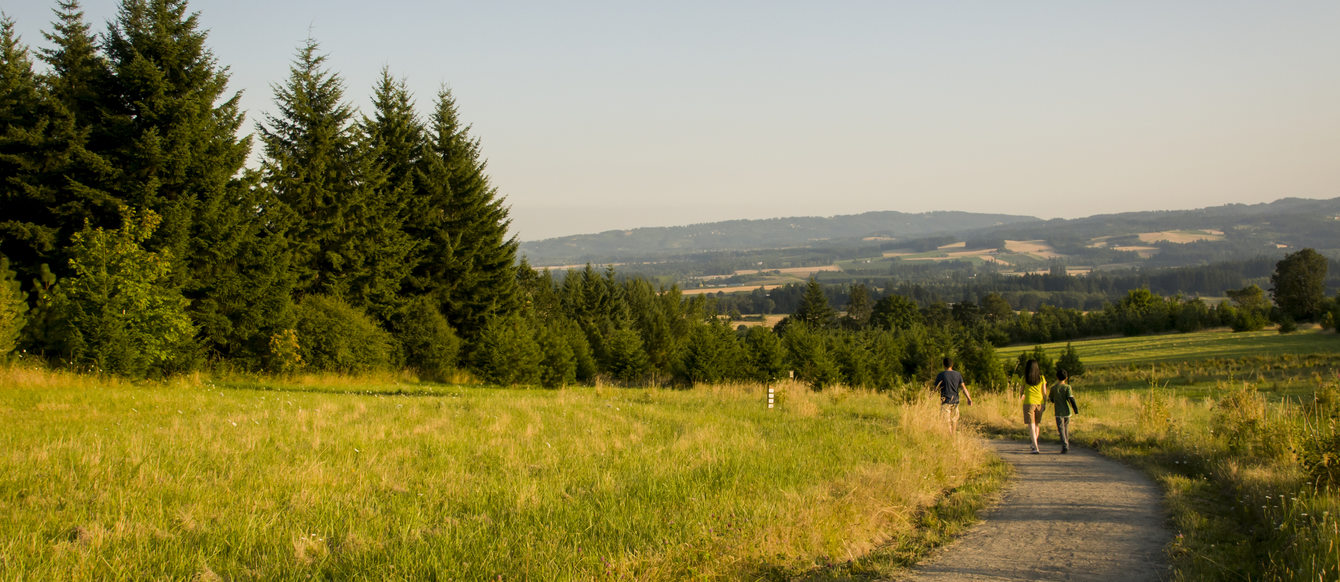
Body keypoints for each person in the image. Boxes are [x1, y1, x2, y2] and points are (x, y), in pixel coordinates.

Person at [933, 356, 973, 434]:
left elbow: (935, 389)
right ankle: (953, 436)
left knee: (947, 421)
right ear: (952, 365)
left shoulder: (941, 375)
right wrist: (969, 399)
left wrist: (930, 397)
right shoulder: (958, 374)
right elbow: (963, 388)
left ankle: (950, 436)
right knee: (954, 420)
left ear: (944, 365)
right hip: (955, 401)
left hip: (945, 401)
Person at [1049, 368, 1080, 453]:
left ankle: (1065, 445)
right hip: (1067, 411)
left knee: (1061, 430)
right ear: (1066, 378)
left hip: (1058, 412)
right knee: (1066, 429)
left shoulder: (1053, 388)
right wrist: (1075, 410)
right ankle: (1067, 444)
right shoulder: (1067, 387)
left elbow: (1051, 399)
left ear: (1057, 377)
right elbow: (1071, 398)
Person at [1021, 358, 1047, 453]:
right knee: (1036, 424)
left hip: (1028, 402)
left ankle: (1035, 446)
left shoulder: (1025, 378)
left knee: (1031, 425)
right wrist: (1045, 403)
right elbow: (1044, 392)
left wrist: (1021, 396)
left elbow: (1021, 391)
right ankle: (1034, 443)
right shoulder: (1042, 378)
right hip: (1039, 403)